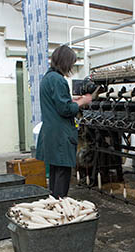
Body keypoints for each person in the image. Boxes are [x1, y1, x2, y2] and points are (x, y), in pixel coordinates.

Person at [36, 45, 92, 198]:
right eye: (71, 64)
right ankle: (60, 207)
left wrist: (72, 99)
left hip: (51, 133)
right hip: (61, 135)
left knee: (55, 172)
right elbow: (65, 109)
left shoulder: (47, 78)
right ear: (66, 62)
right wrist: (83, 101)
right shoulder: (58, 80)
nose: (71, 67)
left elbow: (58, 102)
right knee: (63, 173)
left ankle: (53, 204)